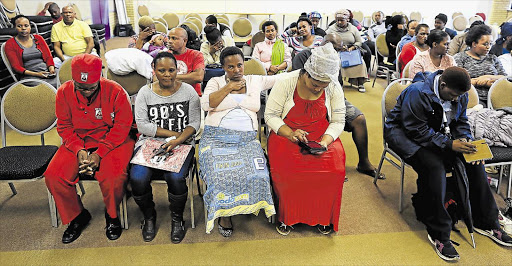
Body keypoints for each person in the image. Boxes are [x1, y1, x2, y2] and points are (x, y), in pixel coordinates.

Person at [384, 67, 512, 261]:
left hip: (436, 133)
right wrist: (450, 144)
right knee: (434, 167)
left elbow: (461, 122)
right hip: (404, 134)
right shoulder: (417, 92)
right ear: (443, 85)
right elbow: (415, 129)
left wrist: (465, 140)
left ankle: (486, 221)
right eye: (453, 95)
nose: (456, 99)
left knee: (474, 162)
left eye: (459, 96)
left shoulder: (459, 94)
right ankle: (439, 233)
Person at [44, 54, 135, 244]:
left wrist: (99, 153)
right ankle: (77, 216)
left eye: (91, 88)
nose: (85, 92)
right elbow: (64, 126)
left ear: (100, 78)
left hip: (113, 140)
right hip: (77, 140)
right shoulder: (63, 91)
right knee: (54, 176)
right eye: (80, 87)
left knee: (113, 176)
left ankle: (112, 216)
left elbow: (122, 127)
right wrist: (79, 150)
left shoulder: (115, 91)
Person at [265, 43, 346, 236]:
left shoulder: (333, 87)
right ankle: (288, 216)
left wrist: (325, 141)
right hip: (287, 134)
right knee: (288, 170)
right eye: (315, 84)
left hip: (321, 135)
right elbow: (271, 116)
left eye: (323, 85)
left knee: (335, 169)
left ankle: (323, 217)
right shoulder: (286, 82)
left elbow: (338, 119)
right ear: (306, 73)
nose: (319, 89)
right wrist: (291, 133)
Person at [199, 47, 276, 236]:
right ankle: (225, 215)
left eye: (239, 65)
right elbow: (206, 104)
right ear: (223, 67)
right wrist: (229, 87)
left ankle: (248, 204)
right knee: (219, 176)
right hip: (216, 139)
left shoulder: (254, 80)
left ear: (244, 64)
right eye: (230, 67)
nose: (236, 70)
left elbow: (284, 78)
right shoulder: (215, 81)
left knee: (259, 174)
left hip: (246, 141)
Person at [292, 34, 384, 180]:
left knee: (358, 119)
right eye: (335, 49)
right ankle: (331, 165)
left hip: (333, 99)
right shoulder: (304, 57)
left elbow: (338, 88)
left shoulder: (334, 61)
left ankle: (364, 163)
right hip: (308, 101)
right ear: (324, 44)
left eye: (339, 50)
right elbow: (297, 86)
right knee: (325, 121)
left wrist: (338, 105)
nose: (336, 53)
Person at [130, 52, 200, 243]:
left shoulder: (188, 91)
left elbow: (194, 123)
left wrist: (178, 140)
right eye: (162, 70)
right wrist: (173, 135)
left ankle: (177, 219)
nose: (167, 75)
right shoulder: (145, 93)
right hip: (150, 143)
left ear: (178, 70)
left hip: (182, 143)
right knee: (137, 177)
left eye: (171, 70)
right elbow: (143, 126)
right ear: (154, 71)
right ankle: (149, 216)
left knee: (176, 177)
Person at [454, 25, 506, 106]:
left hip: (495, 98)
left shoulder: (493, 58)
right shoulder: (460, 58)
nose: (488, 47)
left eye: (490, 44)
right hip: (471, 99)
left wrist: (487, 77)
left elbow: (504, 78)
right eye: (485, 44)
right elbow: (457, 82)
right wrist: (480, 82)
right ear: (474, 43)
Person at [4, 15, 58, 88]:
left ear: (30, 26)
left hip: (46, 71)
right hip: (29, 76)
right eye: (19, 26)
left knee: (65, 77)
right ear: (14, 27)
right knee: (45, 87)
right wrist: (37, 74)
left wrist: (51, 69)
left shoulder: (38, 38)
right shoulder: (10, 44)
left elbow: (48, 57)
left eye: (26, 25)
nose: (23, 28)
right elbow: (16, 67)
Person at [327, 9, 368, 92]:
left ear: (347, 19)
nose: (339, 22)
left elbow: (359, 41)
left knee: (361, 63)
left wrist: (352, 47)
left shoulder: (353, 28)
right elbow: (326, 40)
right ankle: (338, 83)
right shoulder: (331, 29)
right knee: (337, 62)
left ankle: (360, 83)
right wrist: (337, 47)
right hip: (336, 51)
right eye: (337, 20)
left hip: (351, 50)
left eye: (342, 20)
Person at [168, 27, 205, 96]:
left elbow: (198, 77)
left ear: (184, 41)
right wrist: (189, 77)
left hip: (192, 97)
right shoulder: (163, 56)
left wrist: (169, 78)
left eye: (174, 38)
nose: (169, 41)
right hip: (170, 97)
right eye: (169, 38)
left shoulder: (196, 55)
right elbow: (156, 79)